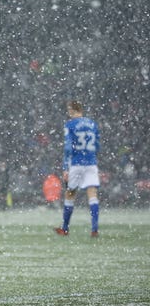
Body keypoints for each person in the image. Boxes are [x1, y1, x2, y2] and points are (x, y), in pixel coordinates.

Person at [54, 100, 101, 237]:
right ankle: (94, 229)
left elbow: (68, 147)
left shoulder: (70, 125)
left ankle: (65, 228)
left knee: (70, 194)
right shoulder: (92, 124)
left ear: (72, 110)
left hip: (76, 163)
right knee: (92, 195)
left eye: (69, 110)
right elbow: (97, 145)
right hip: (91, 163)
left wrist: (65, 168)